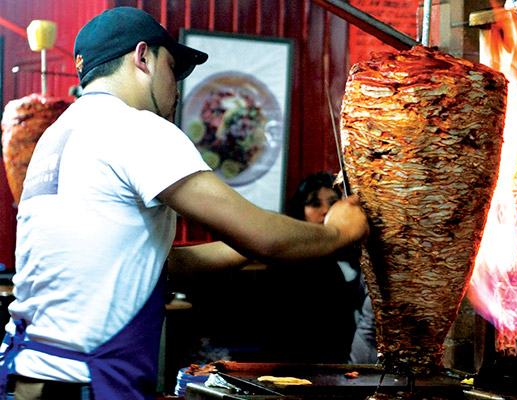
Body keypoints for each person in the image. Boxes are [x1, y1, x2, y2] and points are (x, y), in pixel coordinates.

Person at [0, 7, 368, 400]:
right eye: (173, 68)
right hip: (86, 382)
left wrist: (243, 245)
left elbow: (149, 262)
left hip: (24, 376)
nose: (177, 88)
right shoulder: (135, 128)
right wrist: (336, 231)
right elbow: (267, 240)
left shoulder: (58, 138)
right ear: (143, 57)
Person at [263, 172, 362, 363]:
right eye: (315, 204)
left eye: (333, 202)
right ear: (301, 210)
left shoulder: (359, 254)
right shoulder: (291, 262)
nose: (326, 210)